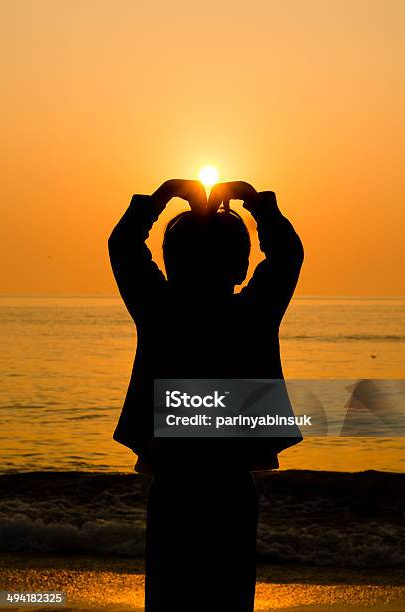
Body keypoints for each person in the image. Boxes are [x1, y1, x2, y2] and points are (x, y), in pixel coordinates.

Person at [108, 179, 304, 611]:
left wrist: (162, 197)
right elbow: (288, 255)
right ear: (240, 269)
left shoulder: (159, 311)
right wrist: (258, 204)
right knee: (229, 595)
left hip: (175, 482)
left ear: (170, 265)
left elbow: (122, 245)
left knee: (171, 595)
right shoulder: (253, 315)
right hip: (230, 484)